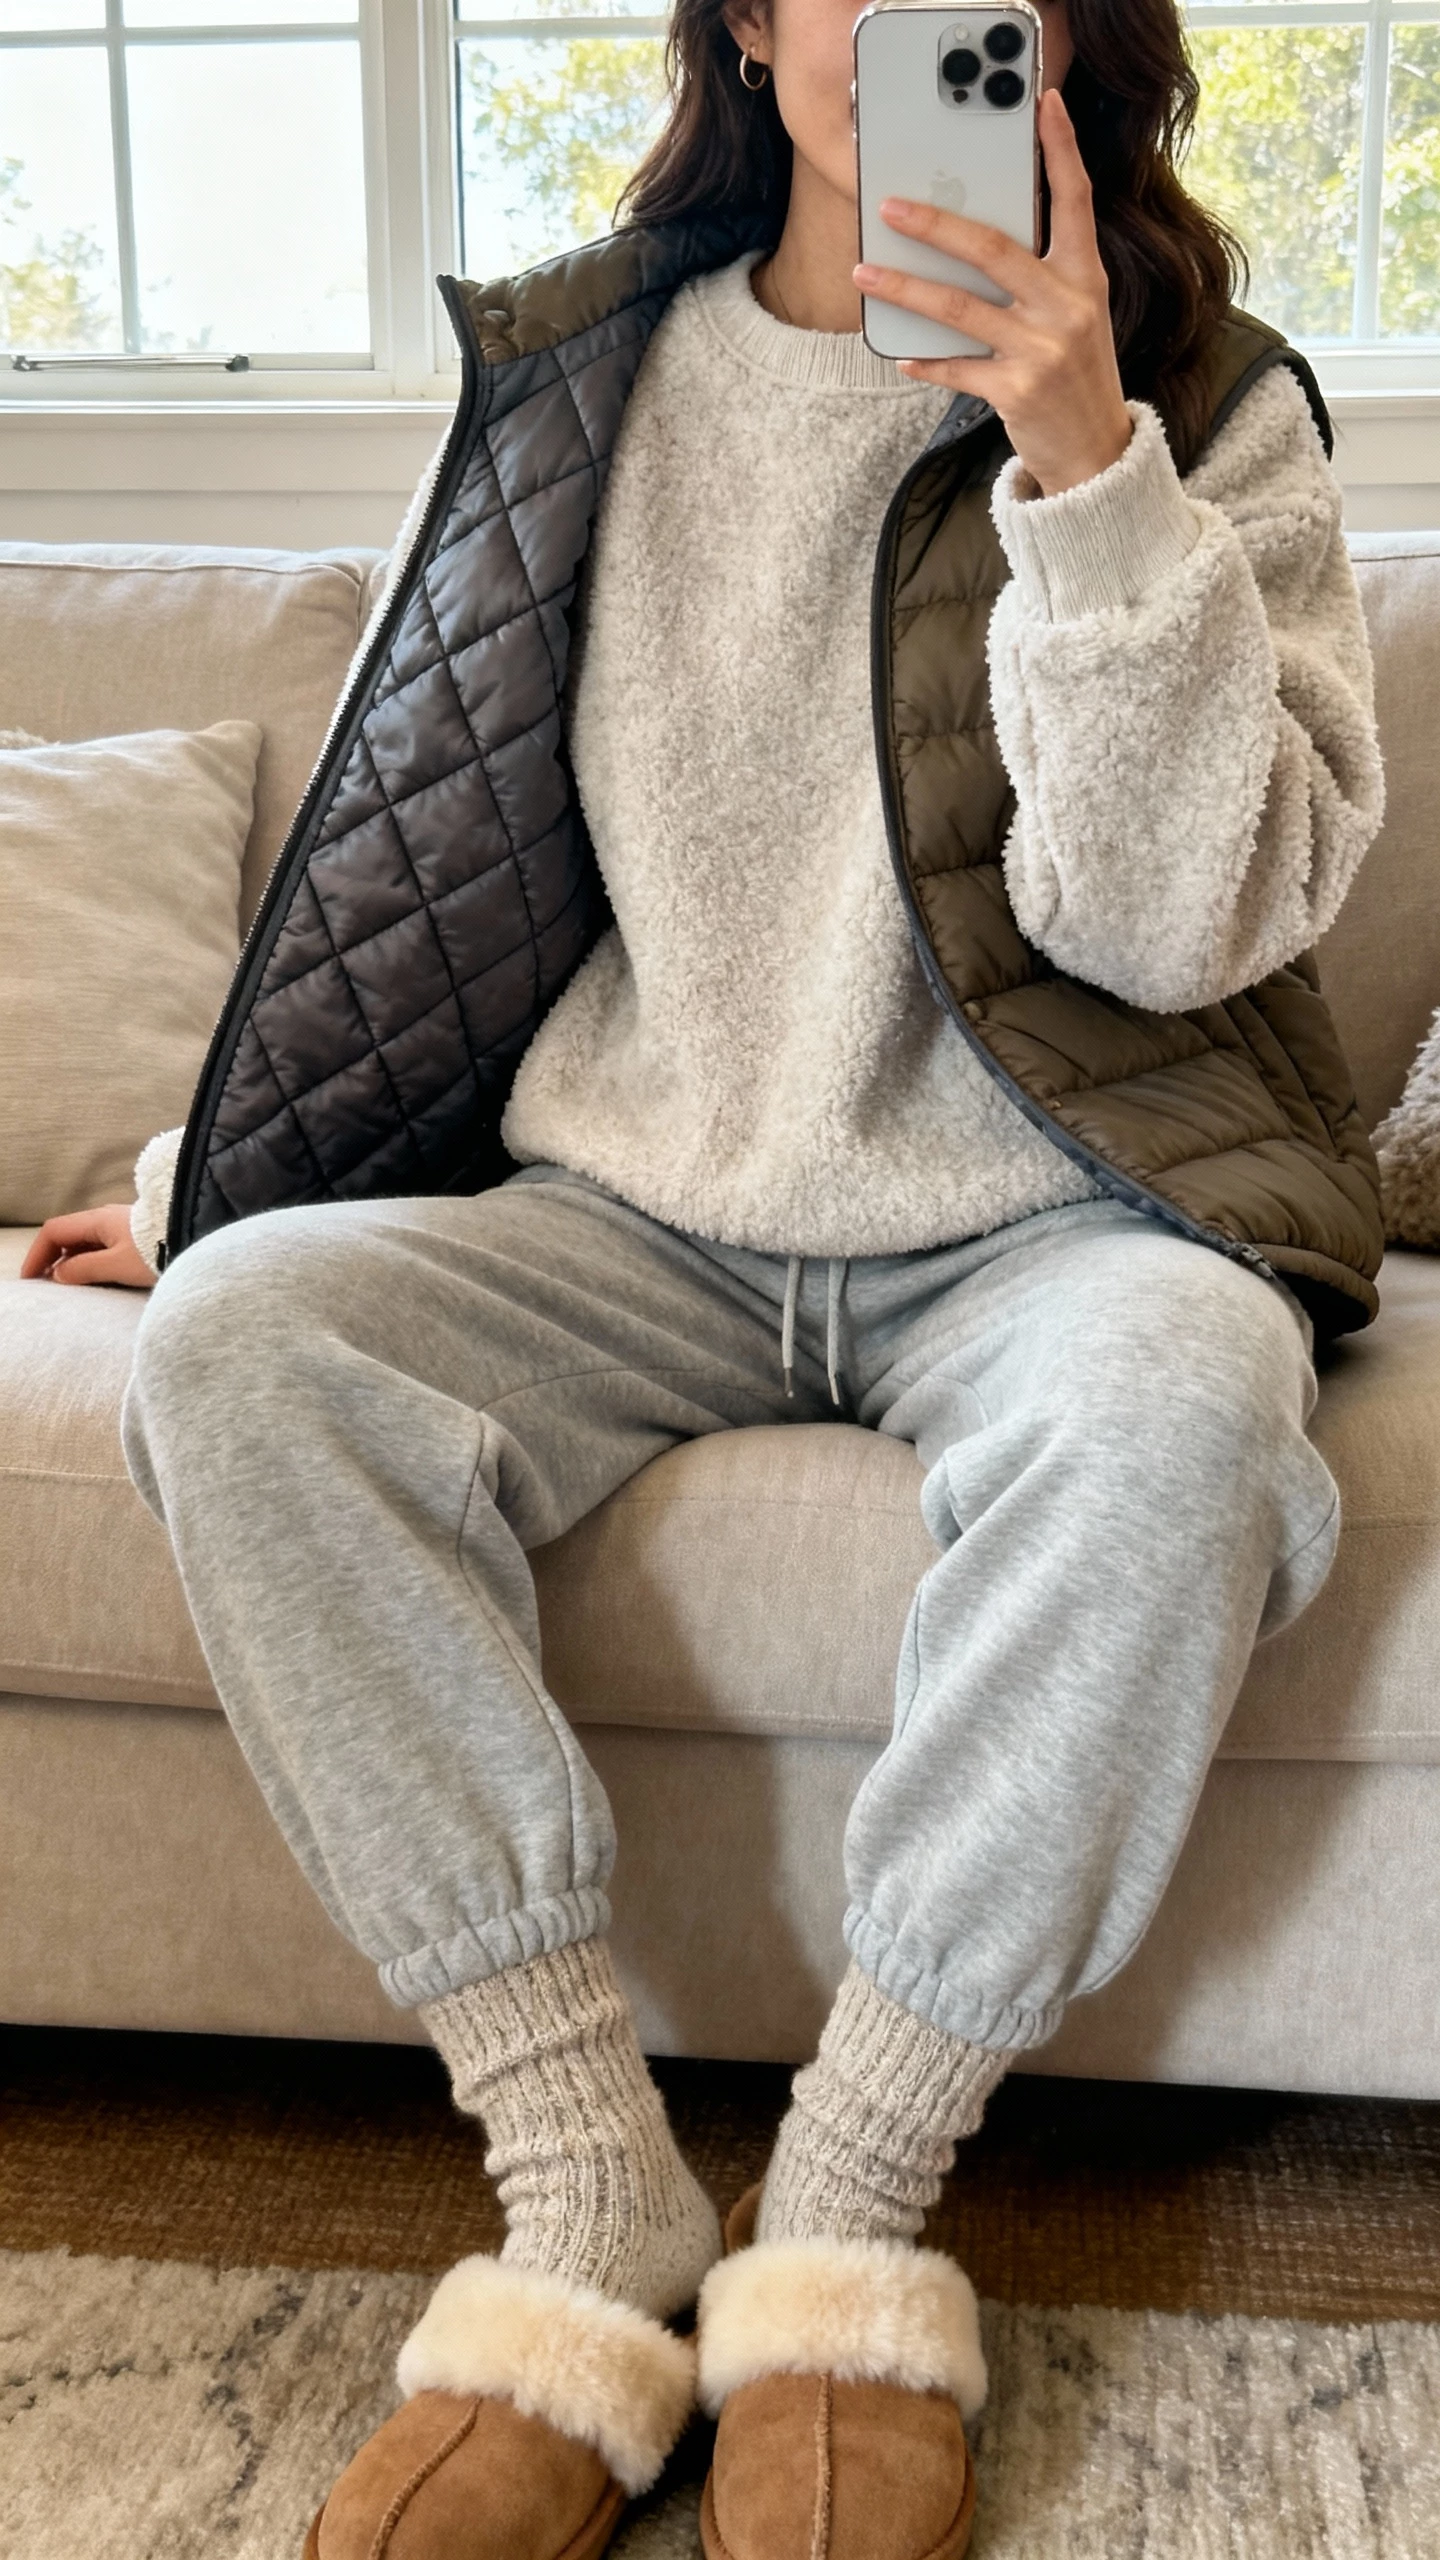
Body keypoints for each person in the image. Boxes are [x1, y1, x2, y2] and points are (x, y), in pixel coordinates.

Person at [23, 0, 1385, 2543]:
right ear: (756, 23)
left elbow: (1176, 926)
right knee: (251, 1339)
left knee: (1195, 1391)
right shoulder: (577, 382)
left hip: (1050, 1218)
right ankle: (588, 2186)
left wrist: (1082, 461)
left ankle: (852, 2211)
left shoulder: (1215, 403)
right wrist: (213, 1172)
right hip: (629, 1207)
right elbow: (413, 861)